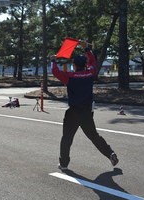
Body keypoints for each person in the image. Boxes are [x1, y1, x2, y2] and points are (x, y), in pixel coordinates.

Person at [50, 40, 119, 171]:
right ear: (85, 65)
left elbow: (55, 71)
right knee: (94, 136)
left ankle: (64, 164)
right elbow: (93, 62)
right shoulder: (90, 73)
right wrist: (86, 48)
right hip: (87, 112)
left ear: (74, 65)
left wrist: (53, 60)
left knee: (67, 138)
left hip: (73, 112)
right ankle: (110, 153)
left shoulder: (70, 76)